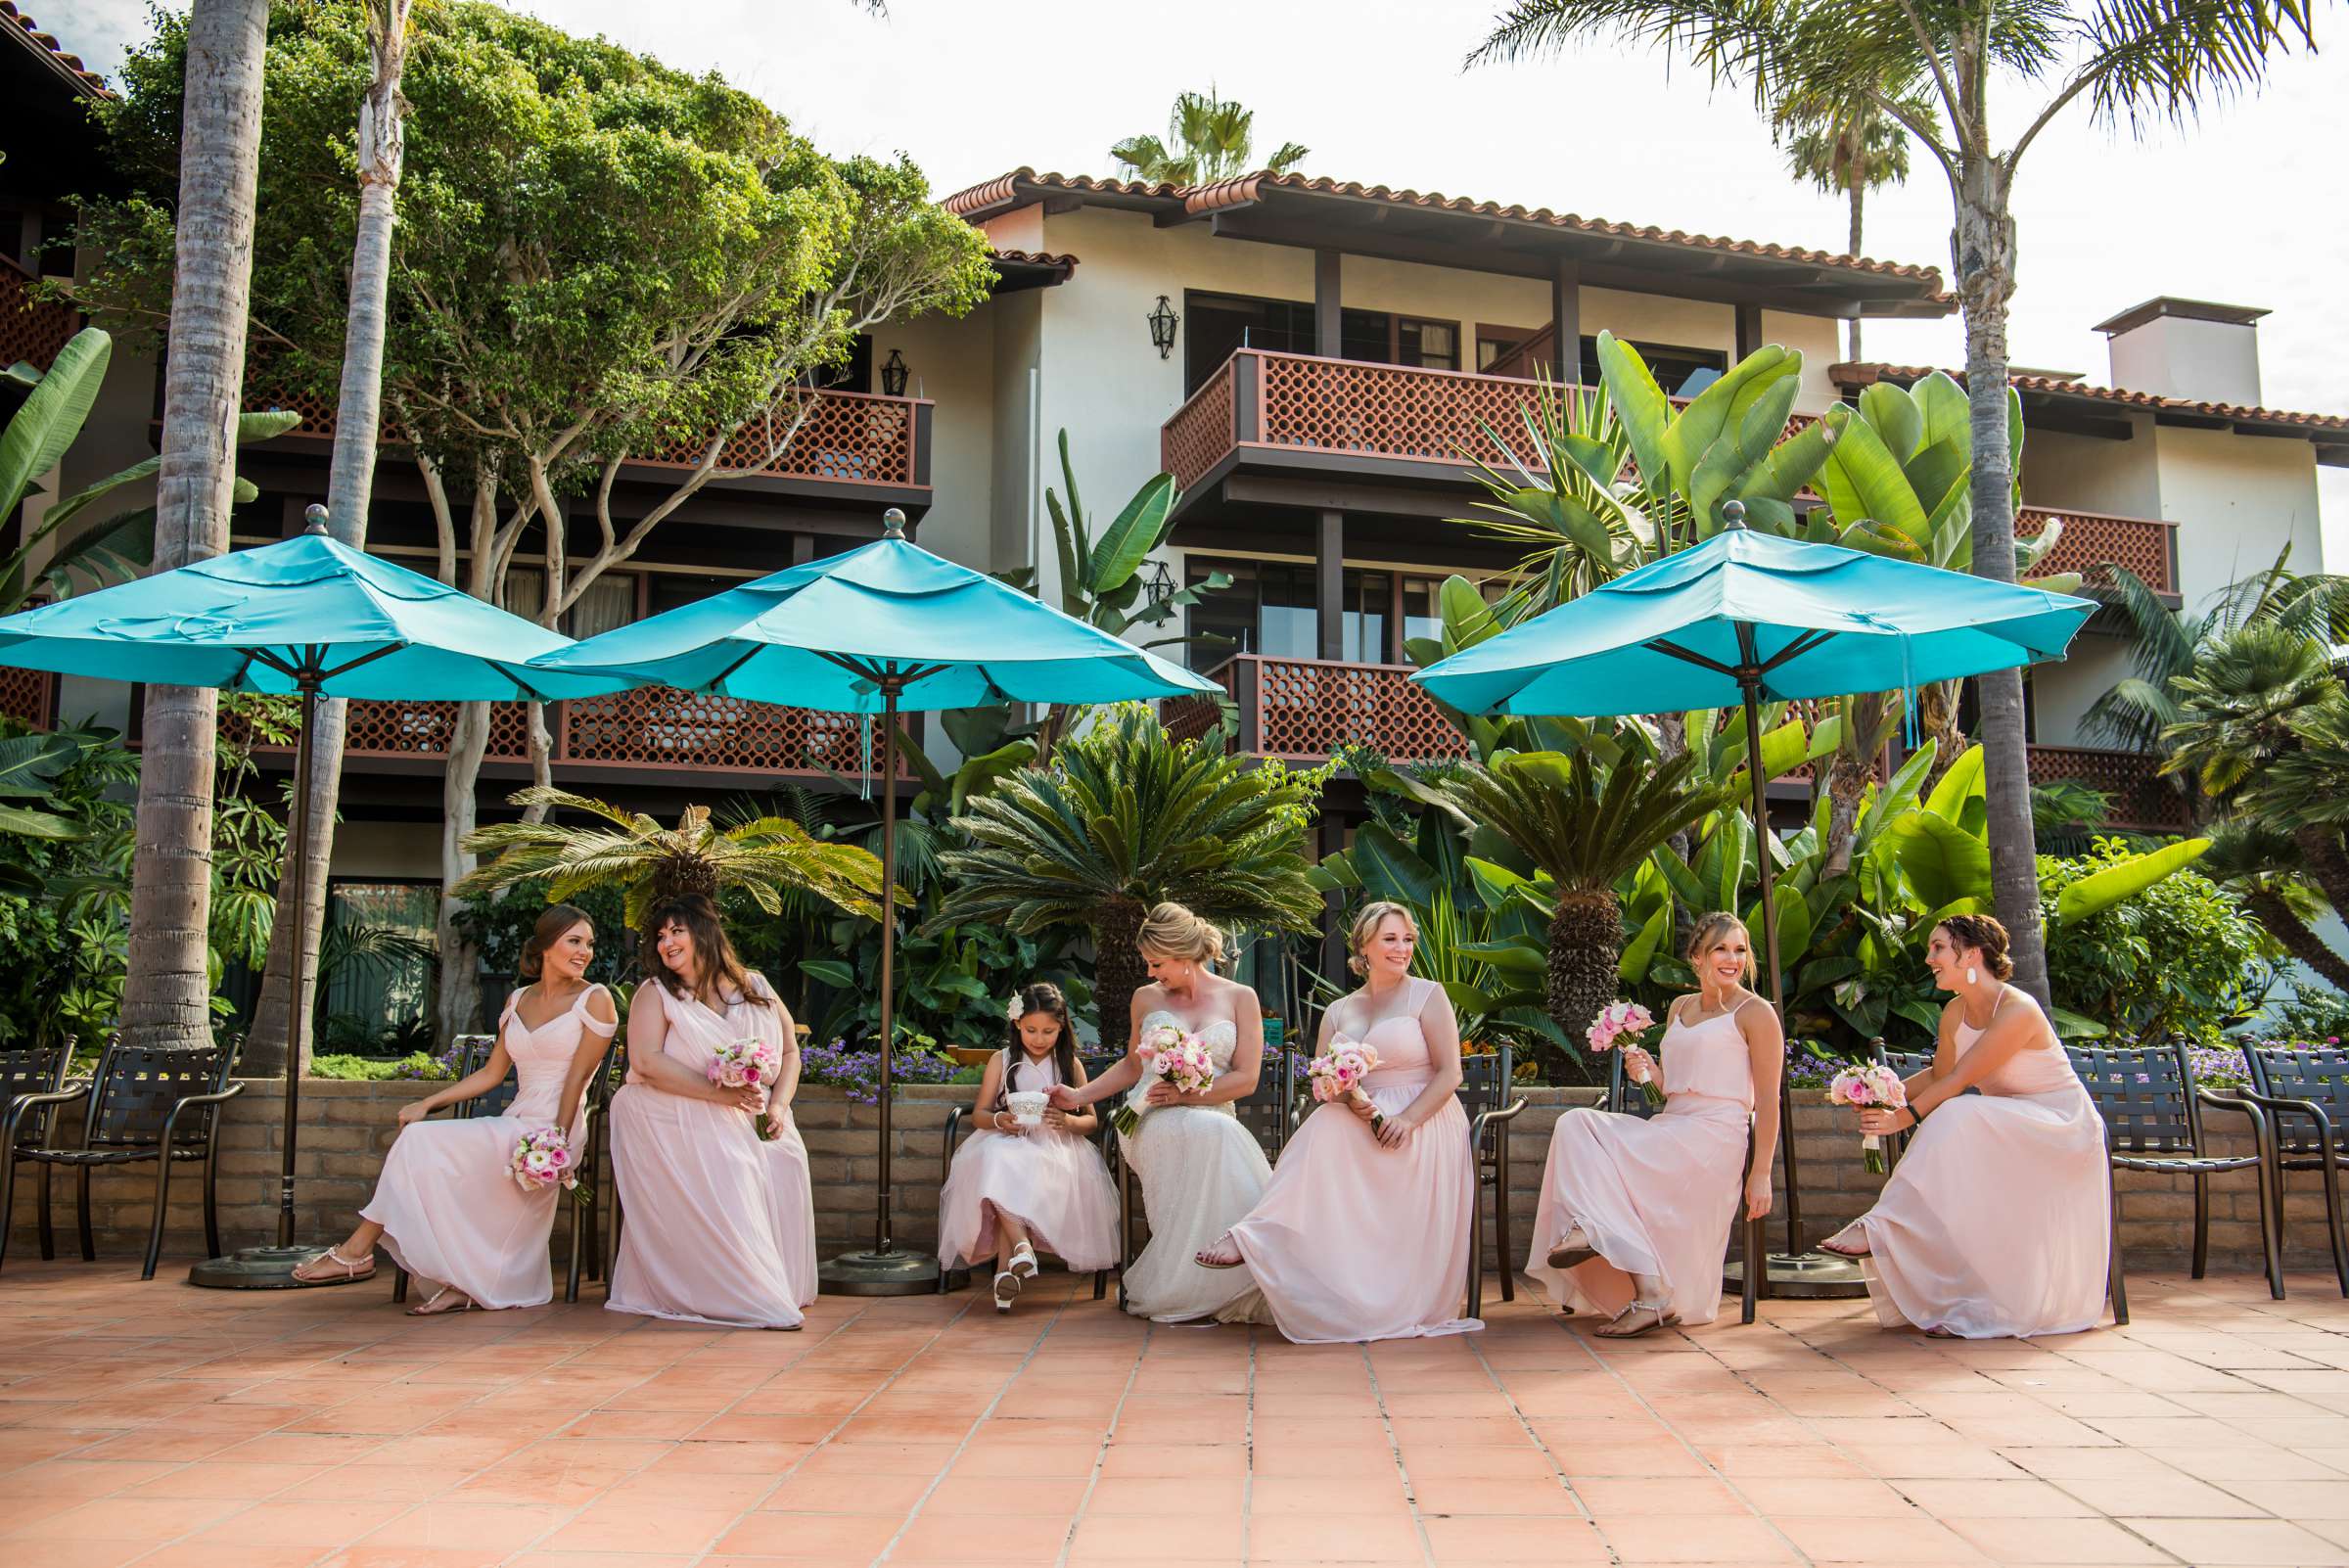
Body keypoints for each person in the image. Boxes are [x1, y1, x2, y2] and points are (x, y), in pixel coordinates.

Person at [289, 905, 617, 1314]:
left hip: (554, 1128)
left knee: (421, 1142)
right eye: (574, 941)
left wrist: (558, 1141)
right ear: (546, 946)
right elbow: (493, 1073)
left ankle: (356, 1253)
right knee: (418, 1139)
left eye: (589, 944)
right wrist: (429, 1101)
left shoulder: (595, 999)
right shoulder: (518, 1000)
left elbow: (576, 1079)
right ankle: (457, 1280)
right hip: (515, 1120)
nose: (584, 951)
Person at [1195, 901, 1481, 1343]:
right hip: (1359, 1118)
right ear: (1363, 945)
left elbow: (1450, 1074)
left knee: (1327, 1128)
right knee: (1328, 1120)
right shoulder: (1338, 1010)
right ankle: (1259, 1237)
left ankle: (1256, 1236)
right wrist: (1351, 1099)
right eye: (1390, 938)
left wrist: (1406, 1119)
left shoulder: (1428, 995)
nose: (1401, 948)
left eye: (1407, 939)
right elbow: (1324, 1079)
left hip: (1423, 1118)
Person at [1820, 914, 2112, 1339]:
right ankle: (1964, 1298)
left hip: (2060, 1126)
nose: (1929, 957)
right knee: (1959, 1141)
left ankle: (1880, 1226)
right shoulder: (1955, 1011)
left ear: (1972, 954)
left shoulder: (2018, 1010)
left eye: (1939, 947)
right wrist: (1881, 1091)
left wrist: (1900, 1121)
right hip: (2007, 1127)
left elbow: (1960, 1082)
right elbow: (1940, 1074)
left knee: (1957, 1114)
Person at [1525, 912, 1779, 1337]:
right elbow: (1671, 1085)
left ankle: (1594, 1230)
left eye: (1740, 949)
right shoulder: (1681, 1007)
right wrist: (1648, 1070)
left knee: (1592, 1137)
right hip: (1673, 1124)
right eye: (1720, 948)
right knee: (1575, 1124)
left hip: (1715, 1137)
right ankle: (1648, 1287)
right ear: (1697, 957)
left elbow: (1768, 1100)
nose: (1732, 958)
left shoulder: (1756, 1013)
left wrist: (1762, 1173)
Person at [1047, 902, 1272, 1323]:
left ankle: (1243, 1267)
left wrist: (1188, 1095)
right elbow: (1134, 1066)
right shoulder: (1145, 998)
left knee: (1216, 1133)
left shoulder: (1242, 998)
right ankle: (1228, 1256)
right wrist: (1078, 1095)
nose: (1151, 973)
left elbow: (1246, 1078)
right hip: (1148, 1118)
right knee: (1216, 1136)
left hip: (1213, 1116)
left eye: (1157, 963)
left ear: (1184, 956)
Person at [605, 893, 814, 1329]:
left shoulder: (756, 986)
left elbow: (790, 1052)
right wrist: (722, 1098)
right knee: (735, 1163)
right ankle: (745, 1291)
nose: (666, 943)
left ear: (705, 933)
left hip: (751, 1111)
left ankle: (778, 1281)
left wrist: (778, 1105)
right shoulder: (655, 992)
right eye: (660, 936)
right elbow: (645, 1062)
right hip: (675, 1111)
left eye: (676, 931)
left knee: (786, 1155)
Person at [938, 981, 1121, 1311]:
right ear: (1017, 1024)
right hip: (1007, 1138)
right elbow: (979, 1113)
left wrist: (1067, 1122)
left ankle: (1012, 1266)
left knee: (1009, 1170)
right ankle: (1021, 1251)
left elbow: (1091, 1121)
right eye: (1031, 1030)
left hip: (1056, 1147)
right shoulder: (1003, 1059)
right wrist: (999, 1120)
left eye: (1048, 1031)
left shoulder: (1070, 1065)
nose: (1039, 1039)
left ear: (1061, 1029)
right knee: (996, 1158)